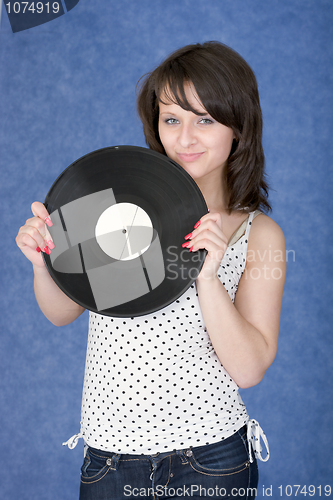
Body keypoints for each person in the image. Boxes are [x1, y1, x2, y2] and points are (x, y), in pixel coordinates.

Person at [15, 41, 286, 499]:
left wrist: (205, 274)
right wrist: (44, 263)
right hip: (108, 458)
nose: (186, 138)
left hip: (211, 458)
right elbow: (63, 312)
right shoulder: (117, 204)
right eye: (172, 119)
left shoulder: (259, 235)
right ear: (155, 124)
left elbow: (249, 369)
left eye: (206, 119)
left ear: (238, 126)